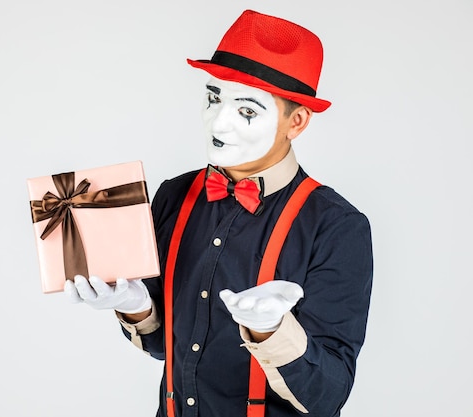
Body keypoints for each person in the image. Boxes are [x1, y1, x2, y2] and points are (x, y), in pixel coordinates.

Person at [65, 9, 373, 417]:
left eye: (247, 111)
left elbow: (328, 395)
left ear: (296, 122)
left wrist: (272, 331)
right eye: (214, 98)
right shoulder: (174, 195)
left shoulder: (337, 227)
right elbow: (166, 348)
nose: (219, 123)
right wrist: (135, 304)